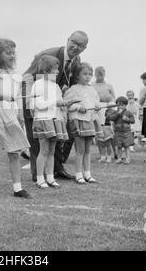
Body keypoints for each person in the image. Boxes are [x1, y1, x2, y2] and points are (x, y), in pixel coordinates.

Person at [23, 30, 88, 181]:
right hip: (35, 98)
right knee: (37, 138)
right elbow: (27, 76)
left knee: (57, 136)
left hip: (55, 103)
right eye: (74, 42)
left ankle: (57, 170)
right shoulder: (49, 55)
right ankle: (38, 174)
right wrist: (30, 103)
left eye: (81, 45)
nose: (76, 47)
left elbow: (69, 84)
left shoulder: (76, 60)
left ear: (85, 48)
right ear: (68, 40)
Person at [0, 38, 31, 198]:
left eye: (13, 52)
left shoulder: (16, 76)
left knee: (14, 152)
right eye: (7, 52)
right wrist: (2, 96)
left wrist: (21, 113)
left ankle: (17, 188)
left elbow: (18, 97)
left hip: (10, 116)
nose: (12, 55)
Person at [30, 55, 69, 189]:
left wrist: (63, 105)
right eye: (55, 69)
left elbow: (58, 102)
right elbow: (37, 104)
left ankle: (50, 178)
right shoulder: (37, 84)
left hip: (54, 120)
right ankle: (40, 179)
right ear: (46, 71)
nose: (58, 71)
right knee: (44, 150)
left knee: (52, 151)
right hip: (43, 119)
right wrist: (55, 102)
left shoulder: (56, 86)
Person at [64, 63, 103, 184]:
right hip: (79, 121)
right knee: (80, 150)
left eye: (90, 74)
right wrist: (77, 107)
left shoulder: (92, 89)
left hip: (89, 120)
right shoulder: (73, 89)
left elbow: (96, 102)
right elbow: (67, 104)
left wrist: (97, 107)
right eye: (84, 74)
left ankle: (88, 174)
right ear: (77, 75)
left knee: (87, 150)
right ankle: (78, 175)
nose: (88, 77)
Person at [92, 66, 116, 162]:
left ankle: (114, 153)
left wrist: (110, 106)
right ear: (95, 74)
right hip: (96, 109)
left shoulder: (109, 85)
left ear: (104, 74)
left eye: (101, 73)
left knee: (108, 133)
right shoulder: (92, 85)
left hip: (107, 108)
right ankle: (101, 155)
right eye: (98, 73)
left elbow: (113, 98)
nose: (100, 75)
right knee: (99, 132)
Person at [109, 96, 135, 164]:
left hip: (126, 131)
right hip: (118, 131)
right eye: (119, 105)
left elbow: (133, 121)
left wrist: (128, 119)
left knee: (126, 146)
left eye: (122, 105)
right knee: (119, 146)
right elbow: (112, 118)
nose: (120, 107)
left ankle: (128, 158)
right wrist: (118, 113)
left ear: (125, 105)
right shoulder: (115, 112)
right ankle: (119, 158)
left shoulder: (128, 112)